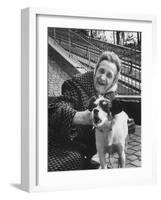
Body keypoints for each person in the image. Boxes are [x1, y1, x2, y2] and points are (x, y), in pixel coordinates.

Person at [48, 50, 122, 169]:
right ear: (95, 71)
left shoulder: (111, 99)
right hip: (64, 150)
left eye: (109, 75)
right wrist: (82, 117)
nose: (103, 77)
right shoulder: (75, 86)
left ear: (113, 81)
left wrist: (124, 124)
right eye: (101, 71)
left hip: (95, 154)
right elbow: (56, 109)